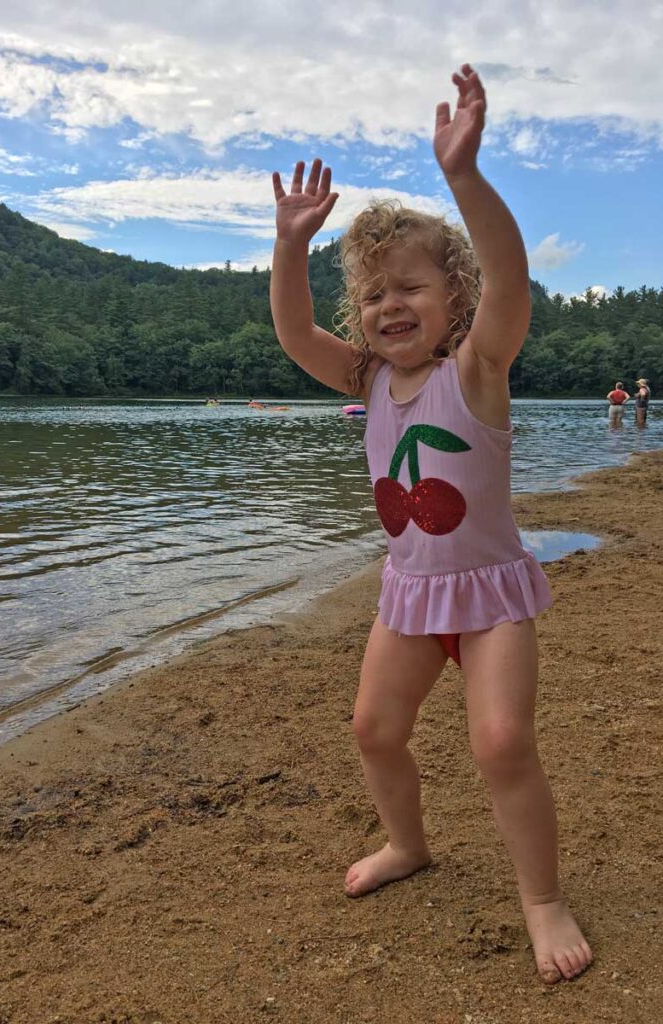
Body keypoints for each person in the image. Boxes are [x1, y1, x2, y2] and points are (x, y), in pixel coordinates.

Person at [270, 65, 592, 985]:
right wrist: (291, 248)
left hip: (489, 592)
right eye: (372, 297)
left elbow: (513, 278)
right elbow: (296, 336)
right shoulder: (367, 381)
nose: (389, 306)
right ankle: (406, 843)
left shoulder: (477, 370)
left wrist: (464, 178)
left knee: (501, 744)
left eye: (410, 287)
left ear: (454, 296)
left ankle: (541, 898)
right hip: (408, 591)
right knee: (375, 728)